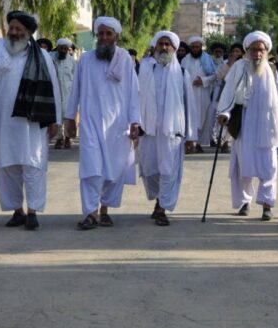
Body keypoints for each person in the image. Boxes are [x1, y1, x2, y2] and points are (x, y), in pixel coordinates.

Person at [0, 11, 61, 230]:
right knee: (8, 166)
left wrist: (54, 120)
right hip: (3, 122)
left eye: (19, 29)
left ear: (28, 32)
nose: (14, 32)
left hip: (33, 122)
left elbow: (53, 89)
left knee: (33, 165)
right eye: (12, 28)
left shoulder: (42, 56)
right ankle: (17, 211)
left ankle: (33, 211)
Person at [64, 16, 141, 230]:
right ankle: (91, 212)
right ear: (96, 36)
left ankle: (104, 209)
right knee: (91, 169)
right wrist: (70, 118)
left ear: (116, 36)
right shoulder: (85, 60)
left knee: (114, 169)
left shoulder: (125, 59)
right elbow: (75, 90)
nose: (104, 37)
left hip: (118, 125)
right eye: (101, 33)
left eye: (109, 33)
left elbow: (134, 93)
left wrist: (135, 122)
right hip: (90, 123)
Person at [216, 31, 278, 221]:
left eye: (261, 50)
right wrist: (224, 113)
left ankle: (267, 205)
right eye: (253, 50)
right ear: (247, 50)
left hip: (267, 125)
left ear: (266, 51)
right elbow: (229, 92)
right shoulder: (239, 67)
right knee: (243, 167)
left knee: (269, 166)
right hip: (245, 125)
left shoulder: (272, 69)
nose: (257, 54)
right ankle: (244, 202)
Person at [138, 31, 197, 226]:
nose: (164, 47)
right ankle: (158, 200)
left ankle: (162, 208)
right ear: (155, 47)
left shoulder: (182, 73)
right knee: (149, 170)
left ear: (174, 48)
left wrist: (191, 137)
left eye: (167, 45)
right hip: (148, 131)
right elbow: (136, 97)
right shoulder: (145, 70)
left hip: (172, 133)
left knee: (168, 172)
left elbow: (189, 105)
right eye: (161, 44)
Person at [181, 36, 217, 152]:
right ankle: (191, 142)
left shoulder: (207, 59)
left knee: (202, 118)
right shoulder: (185, 60)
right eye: (193, 47)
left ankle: (199, 143)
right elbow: (180, 75)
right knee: (190, 117)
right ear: (190, 48)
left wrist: (203, 81)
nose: (195, 49)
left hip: (203, 93)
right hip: (189, 93)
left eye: (197, 47)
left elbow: (214, 76)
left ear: (201, 47)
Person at [213, 42, 245, 153]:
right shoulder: (226, 63)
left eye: (238, 51)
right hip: (226, 94)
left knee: (234, 119)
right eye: (233, 51)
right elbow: (220, 76)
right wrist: (230, 64)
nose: (235, 53)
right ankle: (222, 141)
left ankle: (227, 140)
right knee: (224, 116)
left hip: (239, 97)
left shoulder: (245, 64)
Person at [51, 38, 77, 149]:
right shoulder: (51, 58)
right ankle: (58, 139)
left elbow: (75, 77)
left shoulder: (72, 61)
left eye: (65, 48)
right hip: (55, 91)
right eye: (61, 48)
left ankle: (67, 138)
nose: (63, 50)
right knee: (56, 115)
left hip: (68, 92)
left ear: (68, 49)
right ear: (57, 48)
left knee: (68, 115)